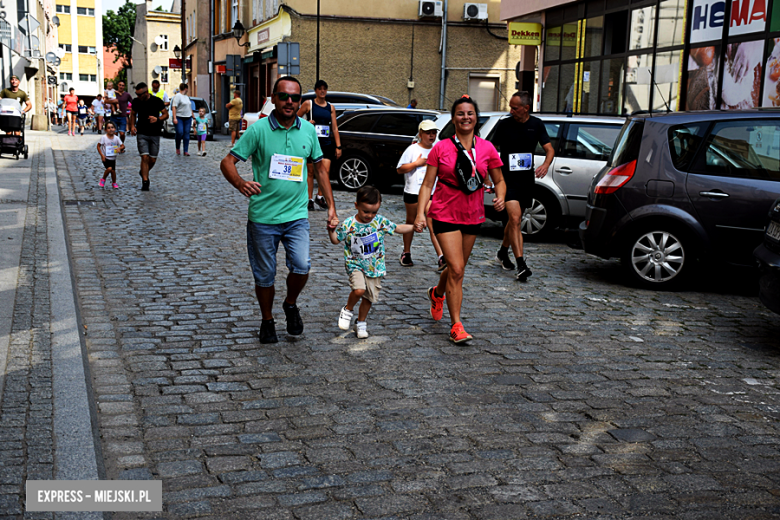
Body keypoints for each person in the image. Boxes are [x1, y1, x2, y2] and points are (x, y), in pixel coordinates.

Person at [219, 76, 339, 344]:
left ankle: (290, 303)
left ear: (300, 101)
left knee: (302, 265)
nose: (289, 102)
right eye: (284, 96)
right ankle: (267, 320)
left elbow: (320, 168)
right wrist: (240, 183)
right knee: (265, 276)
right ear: (273, 98)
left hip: (297, 216)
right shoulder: (259, 130)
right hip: (263, 217)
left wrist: (331, 206)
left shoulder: (308, 131)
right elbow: (227, 162)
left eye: (295, 98)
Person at [414, 96, 506, 344]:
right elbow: (426, 184)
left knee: (457, 269)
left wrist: (501, 197)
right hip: (444, 213)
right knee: (456, 268)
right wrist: (421, 213)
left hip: (472, 215)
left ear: (476, 117)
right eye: (460, 113)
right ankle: (456, 325)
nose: (466, 117)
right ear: (453, 118)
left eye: (470, 113)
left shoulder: (487, 148)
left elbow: (499, 180)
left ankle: (437, 292)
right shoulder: (441, 147)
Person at [329, 186, 414, 339]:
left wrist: (414, 227)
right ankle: (347, 309)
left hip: (375, 267)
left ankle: (361, 323)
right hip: (355, 264)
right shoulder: (349, 224)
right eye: (366, 211)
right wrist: (331, 229)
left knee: (369, 298)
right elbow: (336, 240)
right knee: (359, 290)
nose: (370, 216)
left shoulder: (379, 222)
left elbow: (397, 228)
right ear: (356, 206)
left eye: (374, 212)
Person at [490, 91, 555, 281]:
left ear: (526, 108)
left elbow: (549, 149)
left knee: (513, 221)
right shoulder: (504, 124)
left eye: (515, 108)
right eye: (510, 107)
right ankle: (521, 265)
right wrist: (488, 174)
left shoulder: (536, 124)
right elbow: (490, 150)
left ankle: (503, 252)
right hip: (506, 180)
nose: (511, 111)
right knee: (516, 219)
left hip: (526, 180)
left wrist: (545, 164)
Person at [396, 119, 445, 270]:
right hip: (412, 191)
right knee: (411, 222)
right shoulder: (412, 149)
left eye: (434, 133)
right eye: (428, 133)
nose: (431, 136)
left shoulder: (437, 148)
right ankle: (406, 252)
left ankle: (441, 257)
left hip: (431, 193)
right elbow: (400, 169)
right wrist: (416, 164)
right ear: (420, 134)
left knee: (432, 223)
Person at [297, 79, 341, 211]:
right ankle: (309, 199)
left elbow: (334, 128)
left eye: (324, 89)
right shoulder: (308, 104)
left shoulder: (330, 107)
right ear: (315, 91)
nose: (322, 91)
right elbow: (295, 118)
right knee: (311, 172)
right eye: (320, 89)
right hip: (311, 143)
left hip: (326, 143)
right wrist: (306, 123)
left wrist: (338, 146)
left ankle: (319, 196)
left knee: (325, 171)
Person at [127, 82, 168, 191]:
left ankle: (143, 171)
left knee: (152, 160)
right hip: (142, 133)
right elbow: (133, 113)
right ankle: (145, 181)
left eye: (140, 94)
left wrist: (157, 119)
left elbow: (166, 114)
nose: (138, 96)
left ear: (146, 93)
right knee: (144, 157)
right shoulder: (136, 101)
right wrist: (132, 126)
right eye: (136, 94)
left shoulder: (157, 101)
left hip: (155, 133)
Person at [97, 121, 124, 189]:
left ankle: (114, 183)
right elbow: (98, 146)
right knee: (109, 169)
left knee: (113, 171)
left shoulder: (116, 138)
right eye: (108, 128)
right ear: (105, 130)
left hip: (113, 157)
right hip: (105, 157)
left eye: (112, 127)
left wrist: (120, 148)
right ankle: (103, 179)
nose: (111, 129)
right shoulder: (104, 138)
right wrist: (102, 155)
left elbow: (123, 146)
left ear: (115, 129)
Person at [171, 83, 192, 156]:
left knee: (186, 134)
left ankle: (185, 150)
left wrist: (193, 117)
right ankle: (177, 147)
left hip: (188, 117)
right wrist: (174, 118)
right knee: (180, 132)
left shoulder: (186, 97)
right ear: (186, 89)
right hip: (179, 117)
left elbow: (190, 108)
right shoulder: (177, 96)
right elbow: (174, 107)